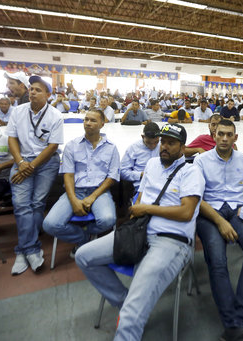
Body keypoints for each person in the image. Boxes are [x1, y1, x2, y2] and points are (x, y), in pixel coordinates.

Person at [75, 123, 204, 340]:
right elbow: (142, 197)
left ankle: (130, 313)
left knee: (132, 312)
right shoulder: (152, 164)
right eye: (163, 142)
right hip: (140, 232)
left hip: (172, 241)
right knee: (83, 256)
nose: (164, 147)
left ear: (182, 148)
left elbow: (187, 213)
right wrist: (138, 212)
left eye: (171, 143)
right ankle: (124, 300)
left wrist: (146, 209)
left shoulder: (192, 172)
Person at [194, 119, 243, 341]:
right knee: (217, 261)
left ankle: (240, 319)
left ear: (235, 137)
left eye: (229, 135)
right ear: (214, 135)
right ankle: (233, 323)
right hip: (210, 213)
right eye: (221, 134)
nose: (224, 138)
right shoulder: (201, 161)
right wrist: (219, 221)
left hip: (237, 210)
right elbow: (196, 198)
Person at [6, 75, 63, 275]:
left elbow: (53, 146)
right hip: (22, 161)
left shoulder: (55, 115)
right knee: (22, 204)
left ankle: (24, 250)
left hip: (46, 163)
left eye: (38, 90)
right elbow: (11, 139)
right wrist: (21, 163)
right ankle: (29, 249)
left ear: (48, 95)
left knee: (38, 203)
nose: (32, 92)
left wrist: (31, 166)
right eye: (31, 88)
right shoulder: (18, 112)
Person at [42, 109, 119, 255]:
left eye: (93, 120)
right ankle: (83, 237)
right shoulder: (72, 146)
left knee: (108, 220)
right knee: (50, 225)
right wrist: (74, 201)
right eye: (86, 119)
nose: (88, 123)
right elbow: (68, 175)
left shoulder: (111, 148)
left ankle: (86, 233)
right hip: (75, 190)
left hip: (99, 191)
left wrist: (92, 197)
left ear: (102, 124)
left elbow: (112, 177)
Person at [120, 122, 160, 193]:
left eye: (156, 142)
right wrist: (140, 174)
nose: (152, 146)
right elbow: (122, 171)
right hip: (141, 187)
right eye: (148, 143)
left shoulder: (163, 146)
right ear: (142, 137)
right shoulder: (133, 148)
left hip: (161, 185)